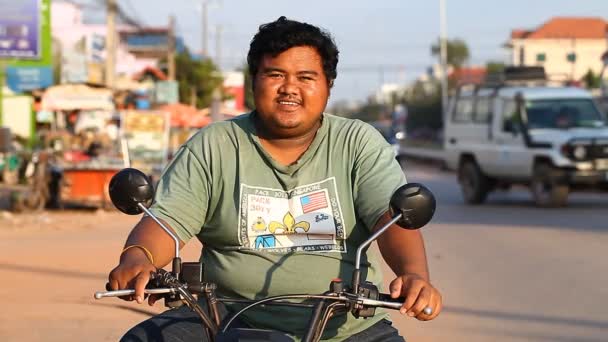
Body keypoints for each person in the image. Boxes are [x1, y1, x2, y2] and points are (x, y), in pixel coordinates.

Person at [109, 17, 442, 342]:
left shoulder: (357, 143)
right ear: (255, 80)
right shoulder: (214, 145)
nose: (289, 88)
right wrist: (138, 258)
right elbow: (167, 220)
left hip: (345, 325)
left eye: (306, 77)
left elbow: (393, 218)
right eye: (275, 74)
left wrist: (414, 275)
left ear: (328, 86)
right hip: (220, 316)